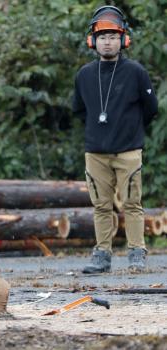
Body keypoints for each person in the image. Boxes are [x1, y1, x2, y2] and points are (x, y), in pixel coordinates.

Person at [72, 6, 158, 273]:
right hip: (95, 151)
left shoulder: (136, 72)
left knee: (132, 203)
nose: (107, 41)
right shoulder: (84, 74)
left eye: (113, 36)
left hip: (129, 150)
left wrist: (129, 129)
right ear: (92, 41)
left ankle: (136, 251)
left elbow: (151, 108)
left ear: (123, 40)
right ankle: (102, 255)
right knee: (101, 205)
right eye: (102, 36)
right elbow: (79, 110)